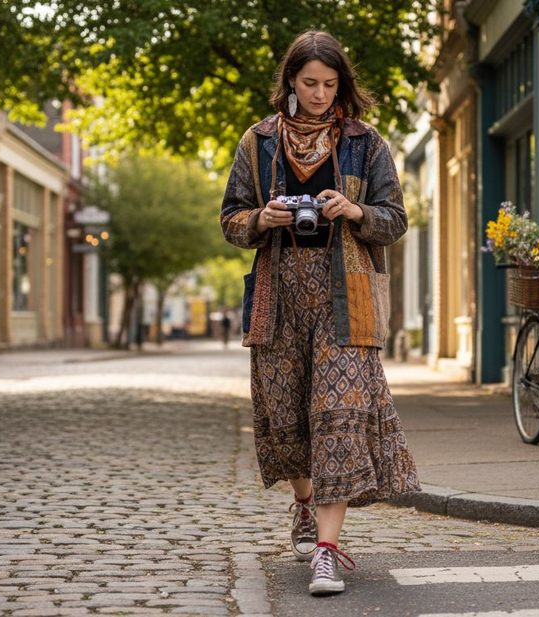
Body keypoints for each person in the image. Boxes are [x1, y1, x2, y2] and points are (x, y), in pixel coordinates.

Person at [219, 30, 421, 597]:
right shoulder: (257, 142)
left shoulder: (367, 143)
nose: (319, 93)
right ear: (290, 81)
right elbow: (230, 219)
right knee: (288, 422)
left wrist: (354, 210)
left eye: (330, 84)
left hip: (347, 300)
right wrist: (262, 219)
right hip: (277, 299)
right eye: (309, 83)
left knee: (336, 418)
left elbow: (395, 220)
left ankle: (327, 554)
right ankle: (304, 506)